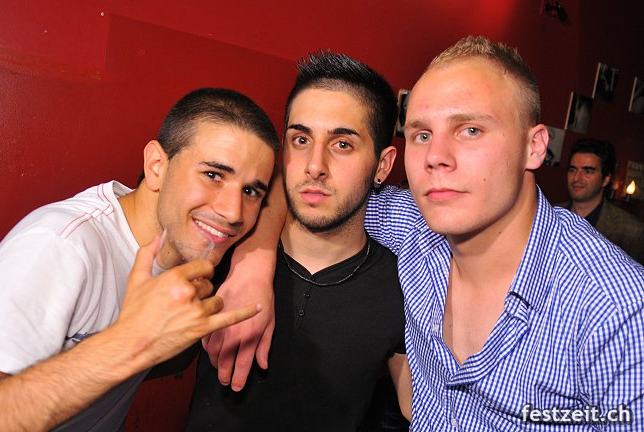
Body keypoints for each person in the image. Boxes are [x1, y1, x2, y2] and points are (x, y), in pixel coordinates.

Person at [241, 37, 644, 430]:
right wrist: (253, 268)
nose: (435, 157)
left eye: (470, 130)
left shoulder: (617, 309)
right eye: (422, 135)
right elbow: (310, 190)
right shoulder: (413, 223)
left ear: (535, 147)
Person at [0, 87, 278, 431]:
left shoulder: (191, 242)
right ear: (157, 166)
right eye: (213, 175)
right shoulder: (60, 246)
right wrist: (131, 341)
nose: (233, 212)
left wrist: (255, 266)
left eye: (250, 191)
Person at [187, 52, 411, 432]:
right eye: (301, 139)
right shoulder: (224, 243)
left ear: (383, 165)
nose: (314, 165)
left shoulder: (403, 285)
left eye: (342, 144)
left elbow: (421, 402)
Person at [559, 138, 644, 264]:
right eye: (572, 170)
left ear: (606, 179)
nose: (576, 178)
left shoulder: (631, 232)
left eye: (588, 171)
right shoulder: (550, 215)